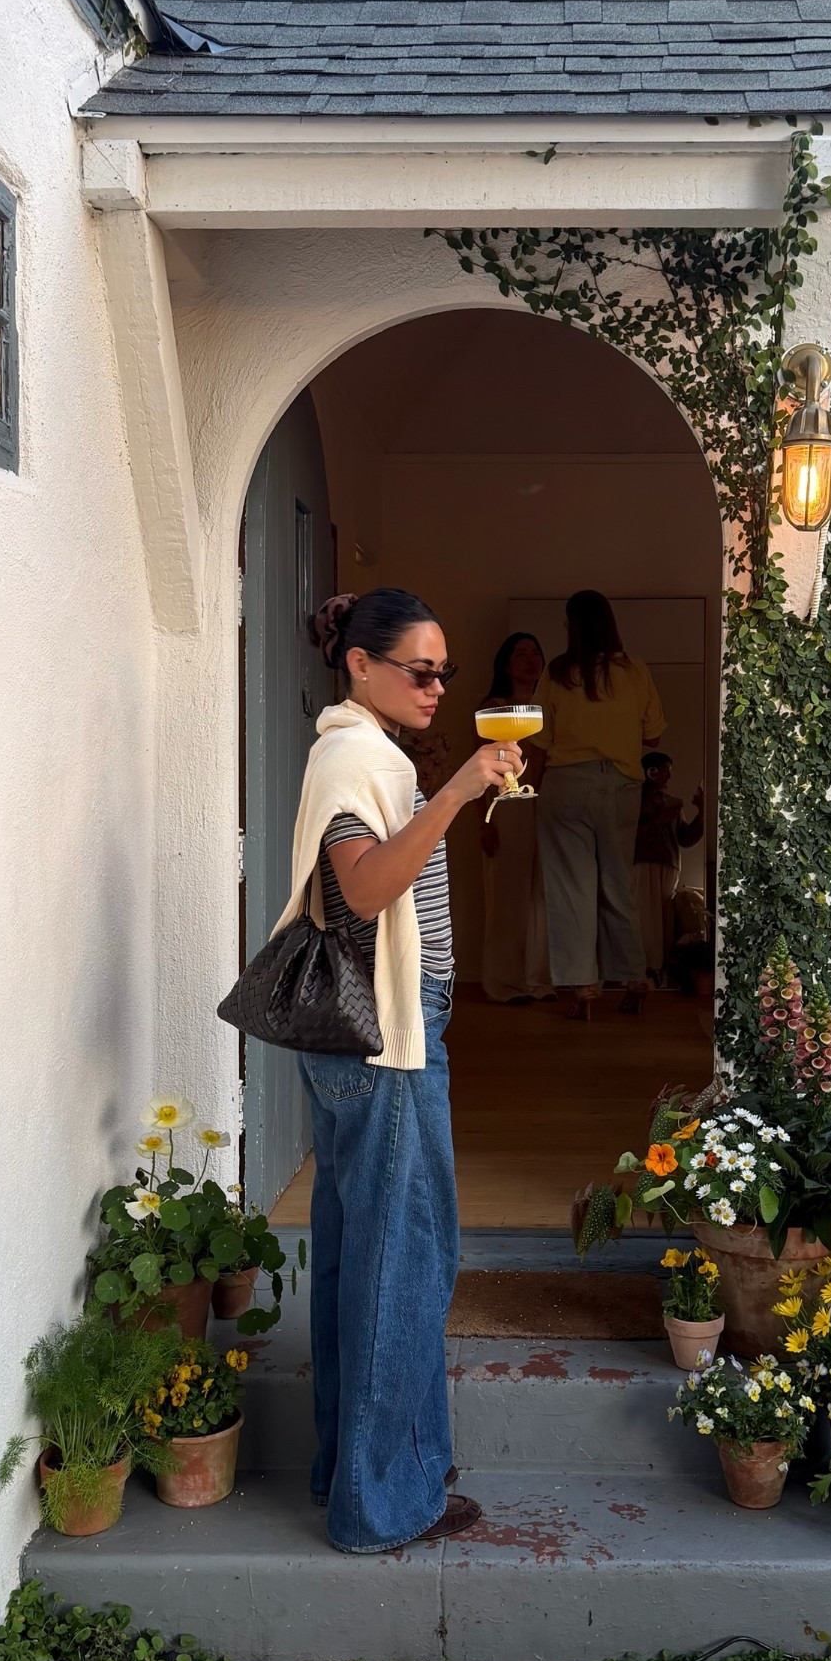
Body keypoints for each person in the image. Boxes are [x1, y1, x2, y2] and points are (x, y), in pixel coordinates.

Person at [272, 587, 522, 1554]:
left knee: (358, 1257)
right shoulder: (357, 757)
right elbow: (365, 889)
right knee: (404, 1261)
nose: (438, 686)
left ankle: (351, 1474)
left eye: (444, 672)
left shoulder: (360, 749)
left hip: (368, 1037)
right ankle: (383, 1505)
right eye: (420, 670)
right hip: (387, 1043)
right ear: (360, 665)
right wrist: (453, 793)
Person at [527, 589, 666, 1019]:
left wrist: (531, 790)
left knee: (573, 887)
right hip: (622, 786)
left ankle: (584, 987)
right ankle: (635, 977)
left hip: (567, 784)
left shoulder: (557, 672)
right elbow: (654, 735)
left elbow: (540, 741)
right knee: (618, 883)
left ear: (572, 626)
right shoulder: (635, 670)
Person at [478, 632, 554, 1004]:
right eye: (520, 654)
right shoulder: (495, 708)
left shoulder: (551, 706)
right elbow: (481, 772)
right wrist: (485, 822)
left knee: (543, 897)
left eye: (535, 653)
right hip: (509, 806)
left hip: (550, 805)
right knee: (509, 896)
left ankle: (539, 980)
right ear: (507, 665)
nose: (530, 660)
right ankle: (505, 983)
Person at [633, 751, 705, 978]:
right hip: (643, 863)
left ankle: (658, 969)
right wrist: (658, 819)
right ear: (651, 772)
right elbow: (629, 836)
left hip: (670, 865)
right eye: (664, 771)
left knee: (664, 920)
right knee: (645, 917)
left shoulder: (673, 803)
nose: (668, 777)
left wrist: (702, 813)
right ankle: (641, 970)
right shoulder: (634, 799)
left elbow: (685, 838)